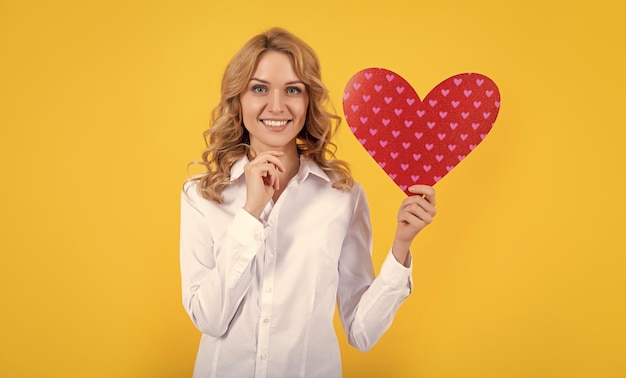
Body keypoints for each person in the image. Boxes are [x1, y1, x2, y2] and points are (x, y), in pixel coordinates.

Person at [180, 27, 436, 378]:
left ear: (308, 101)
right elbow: (208, 318)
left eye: (293, 90)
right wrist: (251, 212)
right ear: (237, 99)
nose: (276, 106)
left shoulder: (342, 197)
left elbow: (361, 333)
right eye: (259, 88)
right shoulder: (201, 195)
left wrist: (402, 246)